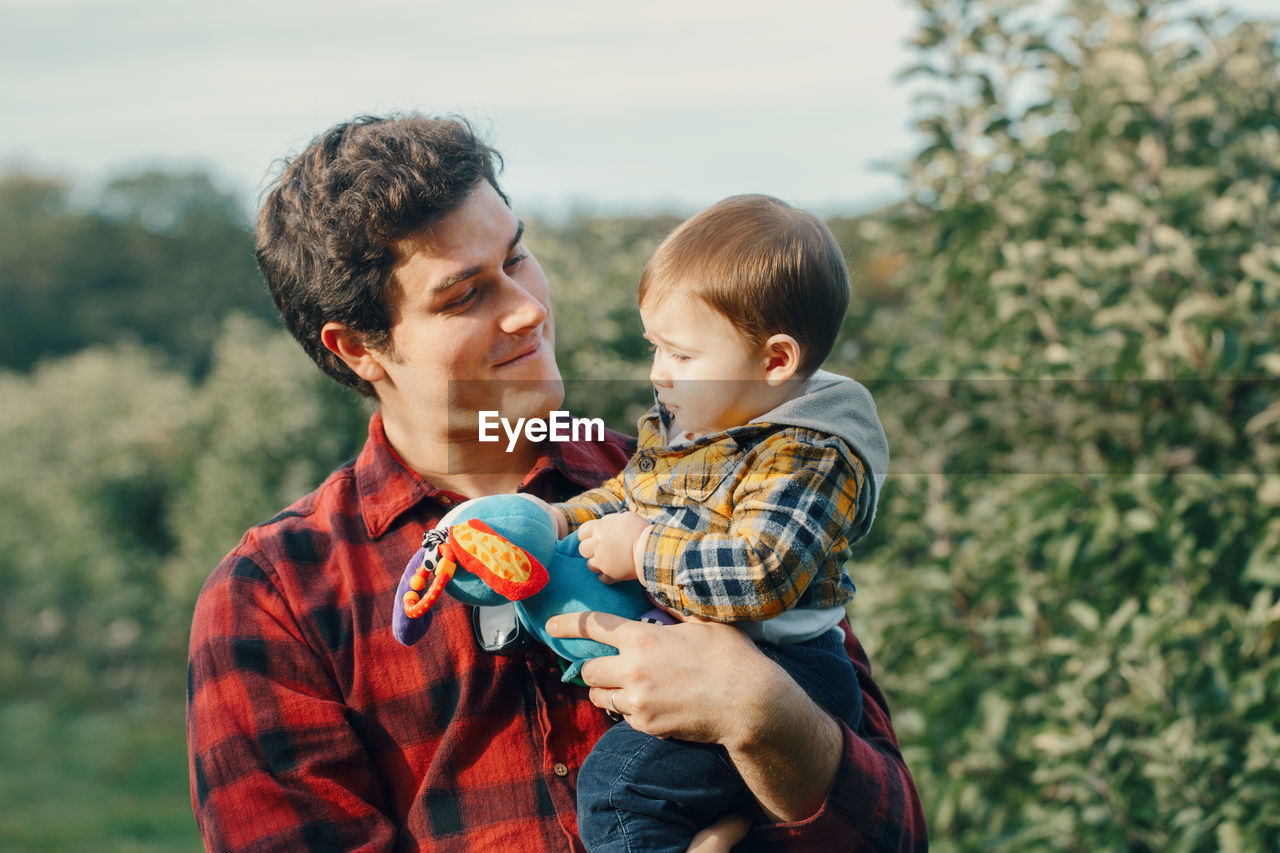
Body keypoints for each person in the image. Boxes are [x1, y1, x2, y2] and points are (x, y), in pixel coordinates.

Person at [186, 113, 927, 852]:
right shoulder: (277, 597)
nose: (529, 308)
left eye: (517, 257)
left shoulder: (701, 477)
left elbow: (896, 834)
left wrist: (765, 715)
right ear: (359, 349)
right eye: (463, 294)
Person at [547, 194, 890, 852]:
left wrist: (645, 551)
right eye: (656, 349)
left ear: (775, 361)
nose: (657, 373)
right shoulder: (710, 425)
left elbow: (761, 571)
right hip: (727, 658)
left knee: (619, 791)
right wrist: (563, 517)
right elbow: (633, 493)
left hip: (794, 670)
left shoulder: (809, 454)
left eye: (679, 355)